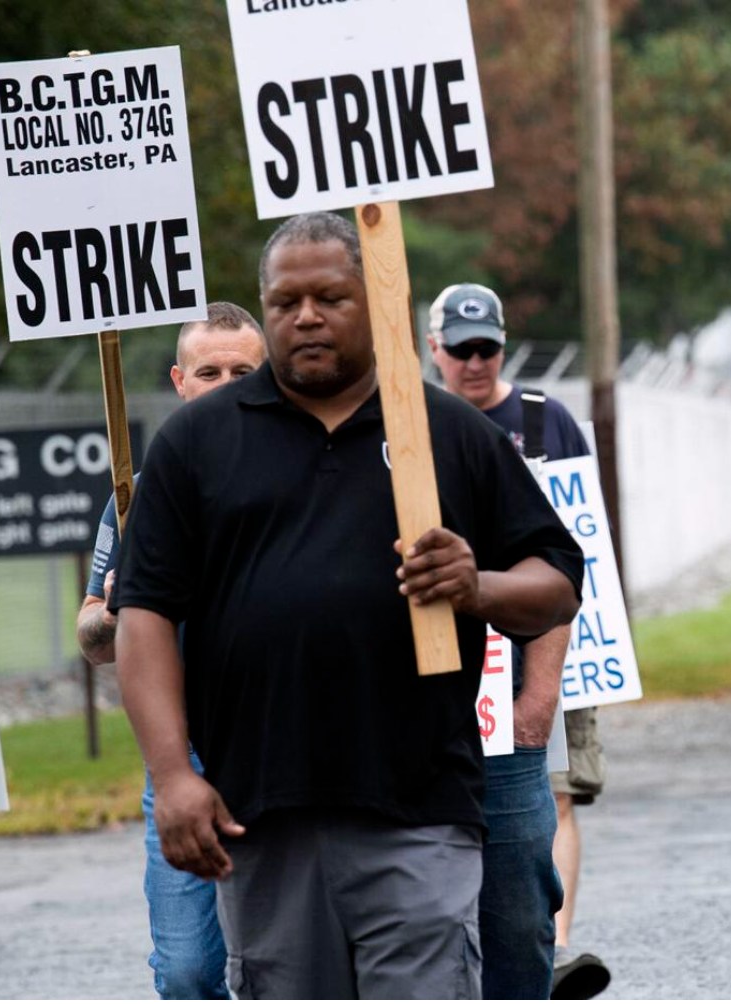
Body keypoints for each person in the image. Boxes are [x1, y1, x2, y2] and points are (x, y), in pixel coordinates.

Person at [111, 212, 584, 1000]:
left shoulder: (447, 433)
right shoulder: (197, 444)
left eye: (330, 296)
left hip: (420, 813)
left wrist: (479, 587)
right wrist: (173, 773)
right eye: (284, 301)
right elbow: (145, 614)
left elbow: (556, 581)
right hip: (259, 820)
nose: (305, 316)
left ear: (376, 303)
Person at [75, 301, 266, 1000]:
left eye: (242, 370)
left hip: (285, 747)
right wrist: (124, 610)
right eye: (208, 371)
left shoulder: (307, 474)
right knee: (188, 972)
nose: (224, 383)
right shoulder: (140, 498)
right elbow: (92, 639)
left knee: (290, 966)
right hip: (182, 759)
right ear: (180, 381)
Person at [425, 282, 610, 1000]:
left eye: (488, 348)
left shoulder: (542, 419)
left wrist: (548, 685)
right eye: (461, 349)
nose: (475, 361)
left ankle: (553, 946)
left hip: (542, 649)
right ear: (434, 349)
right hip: (451, 673)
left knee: (549, 804)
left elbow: (577, 540)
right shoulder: (410, 431)